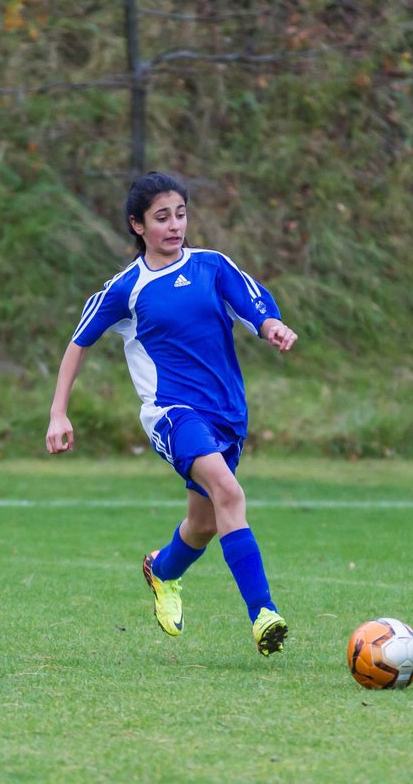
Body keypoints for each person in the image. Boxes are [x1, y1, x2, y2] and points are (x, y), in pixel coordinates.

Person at [44, 171, 298, 656]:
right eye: (161, 217)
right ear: (137, 225)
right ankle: (263, 614)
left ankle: (161, 570)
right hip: (172, 413)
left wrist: (273, 327)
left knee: (203, 524)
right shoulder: (126, 288)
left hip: (227, 413)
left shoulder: (211, 265)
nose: (174, 225)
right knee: (229, 492)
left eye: (180, 214)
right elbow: (78, 344)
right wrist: (59, 412)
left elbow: (253, 306)